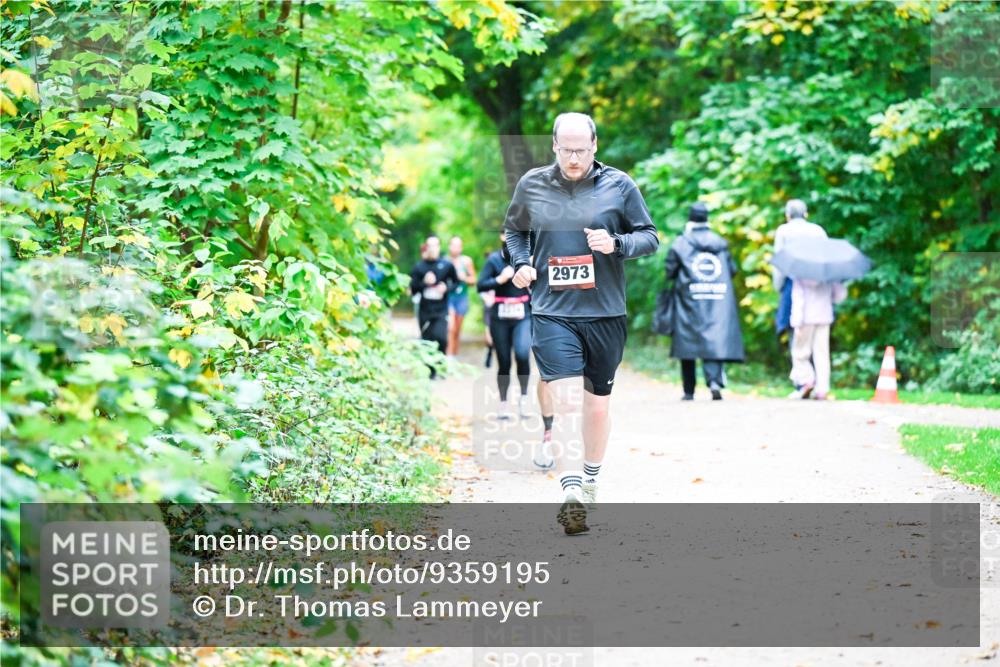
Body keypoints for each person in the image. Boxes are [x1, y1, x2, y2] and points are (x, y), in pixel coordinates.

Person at [504, 112, 659, 534]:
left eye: (582, 150)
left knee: (596, 405)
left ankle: (590, 480)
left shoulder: (619, 185)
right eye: (567, 150)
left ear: (595, 146)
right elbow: (514, 232)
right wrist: (521, 264)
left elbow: (649, 236)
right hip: (553, 310)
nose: (574, 158)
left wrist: (616, 243)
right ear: (554, 146)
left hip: (605, 312)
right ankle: (571, 493)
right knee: (568, 401)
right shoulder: (532, 184)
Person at [665, 202, 745, 400]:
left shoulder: (681, 243)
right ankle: (715, 382)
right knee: (713, 339)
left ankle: (689, 391)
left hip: (689, 300)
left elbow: (670, 272)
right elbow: (732, 270)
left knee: (687, 341)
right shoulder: (720, 243)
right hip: (717, 300)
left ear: (690, 219)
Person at [772, 199, 847, 400]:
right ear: (806, 214)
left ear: (788, 215)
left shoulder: (784, 232)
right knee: (822, 350)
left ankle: (803, 382)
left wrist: (778, 286)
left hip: (795, 292)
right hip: (823, 309)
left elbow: (779, 262)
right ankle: (822, 387)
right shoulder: (818, 231)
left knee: (799, 346)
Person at [477, 232, 532, 421]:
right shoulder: (493, 260)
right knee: (504, 361)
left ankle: (524, 398)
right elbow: (480, 286)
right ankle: (503, 403)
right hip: (499, 317)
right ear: (502, 237)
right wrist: (500, 279)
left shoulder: (528, 258)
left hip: (523, 315)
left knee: (522, 354)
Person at [410, 235, 458, 379]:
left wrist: (446, 288)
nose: (432, 248)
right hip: (425, 309)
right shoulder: (419, 267)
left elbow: (456, 283)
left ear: (439, 247)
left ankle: (439, 364)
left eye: (435, 245)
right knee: (427, 339)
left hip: (441, 309)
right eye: (430, 245)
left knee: (441, 337)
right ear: (426, 247)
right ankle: (430, 370)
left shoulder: (447, 265)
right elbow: (413, 289)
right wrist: (424, 283)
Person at [446, 236, 476, 356]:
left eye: (458, 245)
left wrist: (464, 278)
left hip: (461, 298)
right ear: (449, 246)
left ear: (461, 247)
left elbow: (473, 280)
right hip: (448, 298)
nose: (455, 248)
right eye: (453, 245)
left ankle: (454, 355)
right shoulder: (444, 261)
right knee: (450, 327)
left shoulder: (466, 261)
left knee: (457, 330)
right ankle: (448, 356)